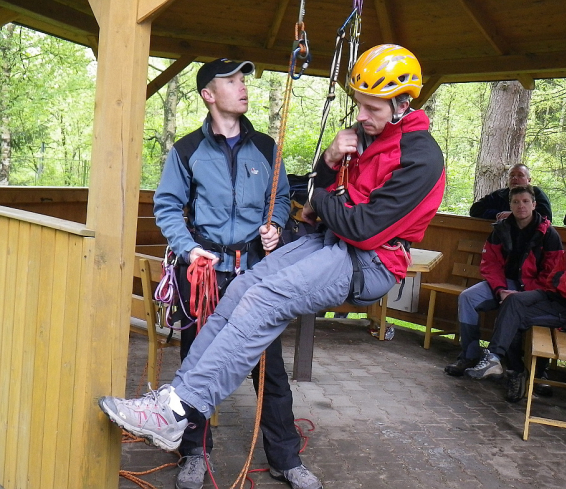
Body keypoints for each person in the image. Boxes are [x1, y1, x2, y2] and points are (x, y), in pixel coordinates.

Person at [98, 43, 445, 483]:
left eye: (370, 107)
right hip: (295, 248)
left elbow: (360, 225)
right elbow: (327, 196)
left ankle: (181, 413)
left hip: (369, 260)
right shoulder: (191, 150)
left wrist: (308, 198)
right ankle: (176, 415)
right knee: (245, 290)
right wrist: (329, 163)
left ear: (402, 104)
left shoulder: (421, 157)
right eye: (358, 105)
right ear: (208, 94)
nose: (361, 115)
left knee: (263, 306)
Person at [152, 58, 321, 489]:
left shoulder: (267, 148)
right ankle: (193, 452)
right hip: (206, 274)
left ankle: (285, 459)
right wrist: (190, 250)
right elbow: (168, 207)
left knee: (270, 369)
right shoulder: (187, 151)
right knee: (198, 363)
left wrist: (275, 225)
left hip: (257, 273)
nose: (242, 86)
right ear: (209, 94)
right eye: (231, 80)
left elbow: (280, 197)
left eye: (242, 79)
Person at [464, 207, 566, 402]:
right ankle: (495, 359)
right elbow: (554, 278)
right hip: (559, 300)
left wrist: (564, 280)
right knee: (513, 300)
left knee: (514, 318)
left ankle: (516, 372)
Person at [444, 185, 563, 396]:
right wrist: (500, 290)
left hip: (534, 289)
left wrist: (522, 294)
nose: (521, 206)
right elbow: (490, 264)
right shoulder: (501, 230)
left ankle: (516, 371)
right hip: (504, 284)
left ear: (534, 205)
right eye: (516, 202)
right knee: (467, 298)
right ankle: (470, 355)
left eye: (526, 201)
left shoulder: (548, 234)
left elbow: (552, 273)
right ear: (510, 205)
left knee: (513, 309)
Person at [469, 164, 552, 222]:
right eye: (511, 175)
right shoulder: (499, 195)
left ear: (528, 180)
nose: (515, 178)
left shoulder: (536, 193)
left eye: (520, 175)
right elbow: (475, 210)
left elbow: (546, 217)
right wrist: (498, 215)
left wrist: (515, 215)